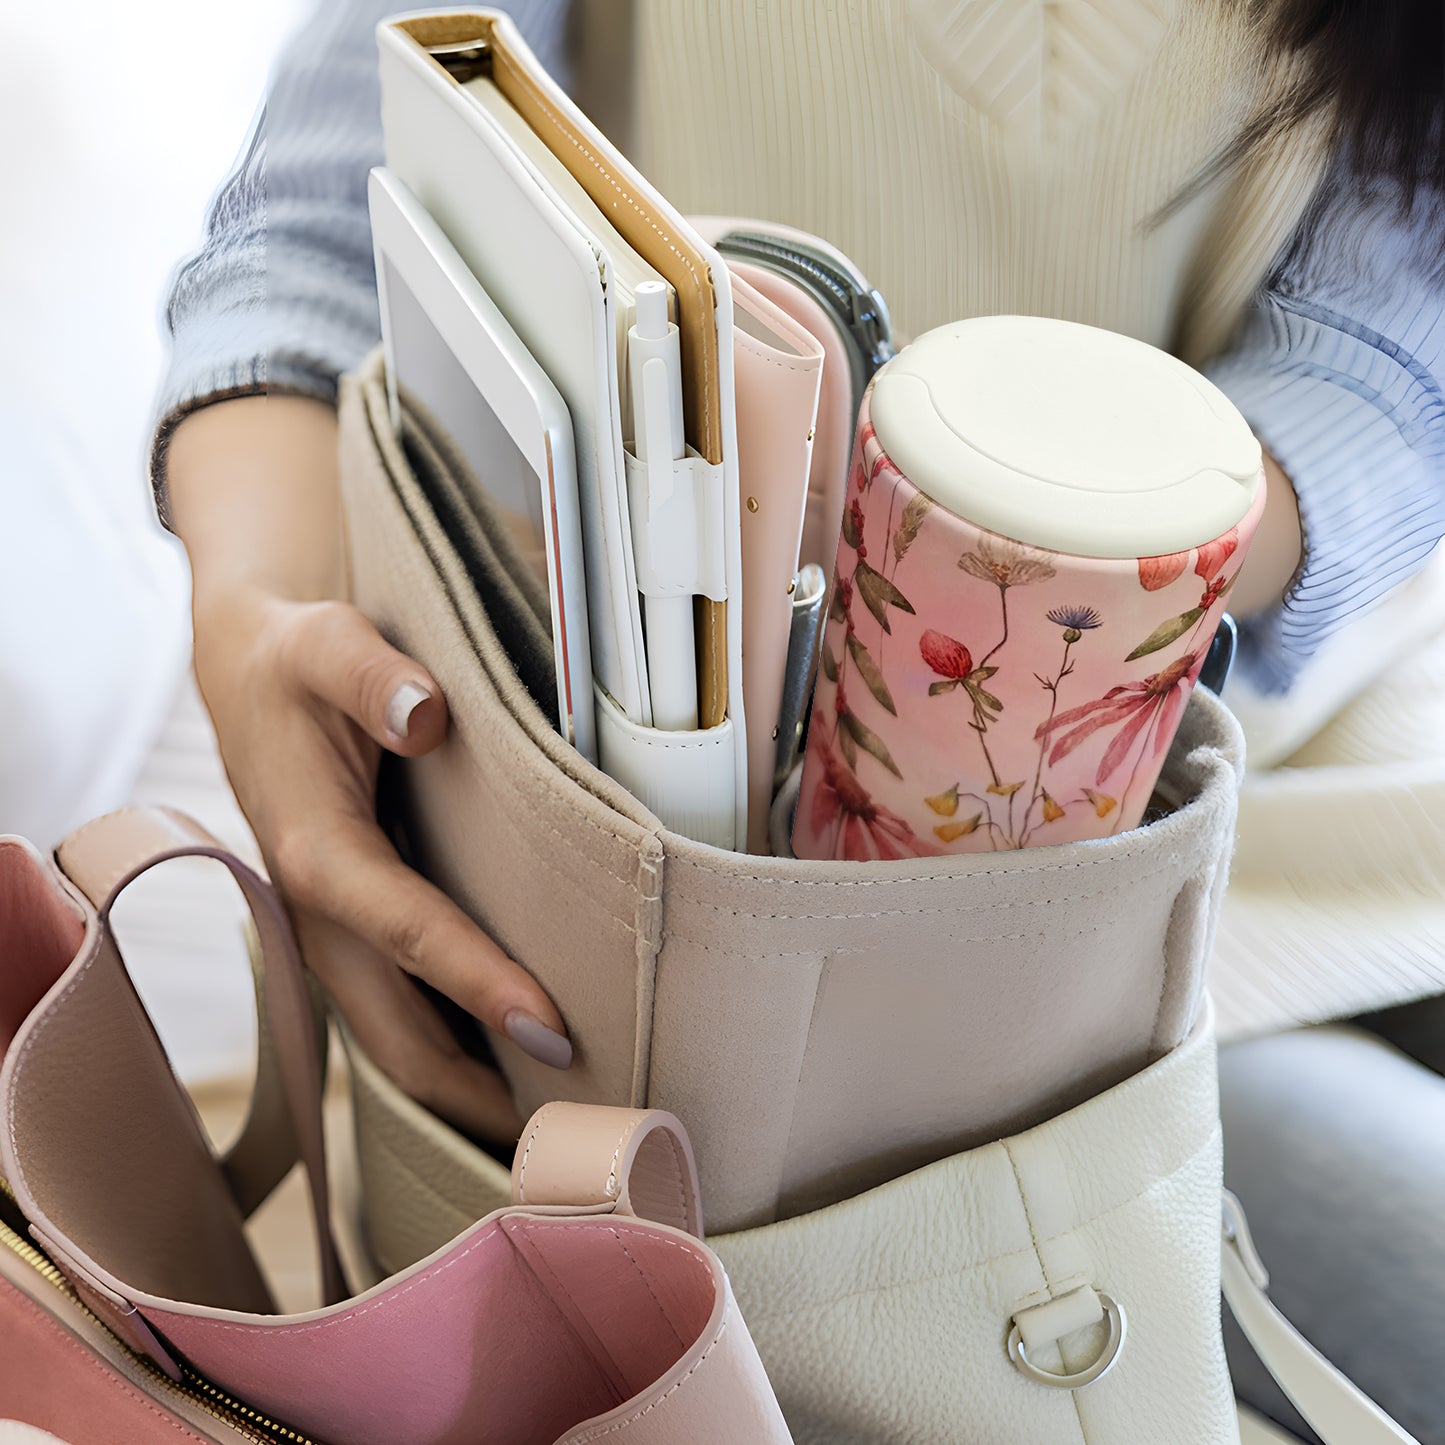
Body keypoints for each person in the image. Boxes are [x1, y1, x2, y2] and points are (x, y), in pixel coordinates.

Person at [153, 1, 1444, 1435]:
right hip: (727, 941)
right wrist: (252, 618)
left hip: (1269, 842)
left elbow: (1382, 368)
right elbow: (322, 216)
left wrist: (1035, 568)